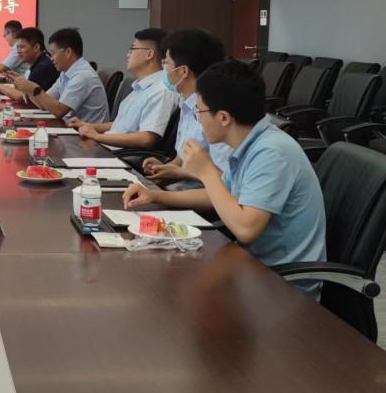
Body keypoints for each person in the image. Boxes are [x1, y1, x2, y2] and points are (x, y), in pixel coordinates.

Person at [121, 61, 326, 296]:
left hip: (282, 286)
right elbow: (220, 195)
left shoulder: (272, 152)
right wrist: (155, 196)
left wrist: (206, 171)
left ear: (224, 118)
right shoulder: (251, 142)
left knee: (170, 292)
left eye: (200, 112)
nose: (198, 120)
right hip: (250, 267)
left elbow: (246, 229)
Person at [142, 29, 232, 189]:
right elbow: (181, 158)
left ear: (183, 71)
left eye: (166, 63)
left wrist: (179, 173)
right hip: (176, 189)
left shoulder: (214, 112)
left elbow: (226, 179)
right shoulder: (186, 104)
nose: (163, 69)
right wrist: (166, 168)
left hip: (200, 196)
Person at [66, 28, 173, 149]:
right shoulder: (139, 86)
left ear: (149, 54)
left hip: (119, 155)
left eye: (133, 49)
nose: (128, 54)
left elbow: (146, 138)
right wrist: (90, 126)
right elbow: (121, 125)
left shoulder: (161, 91)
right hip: (107, 147)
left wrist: (97, 136)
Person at [9, 27, 108, 123]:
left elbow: (59, 111)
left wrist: (34, 88)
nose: (51, 58)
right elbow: (44, 104)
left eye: (53, 53)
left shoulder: (82, 76)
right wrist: (27, 88)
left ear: (68, 52)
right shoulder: (65, 72)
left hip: (86, 132)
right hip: (72, 127)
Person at [0, 27, 59, 101]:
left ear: (36, 47)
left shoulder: (42, 67)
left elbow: (22, 98)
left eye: (22, 47)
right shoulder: (42, 59)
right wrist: (20, 80)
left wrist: (0, 87)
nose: (18, 51)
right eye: (17, 47)